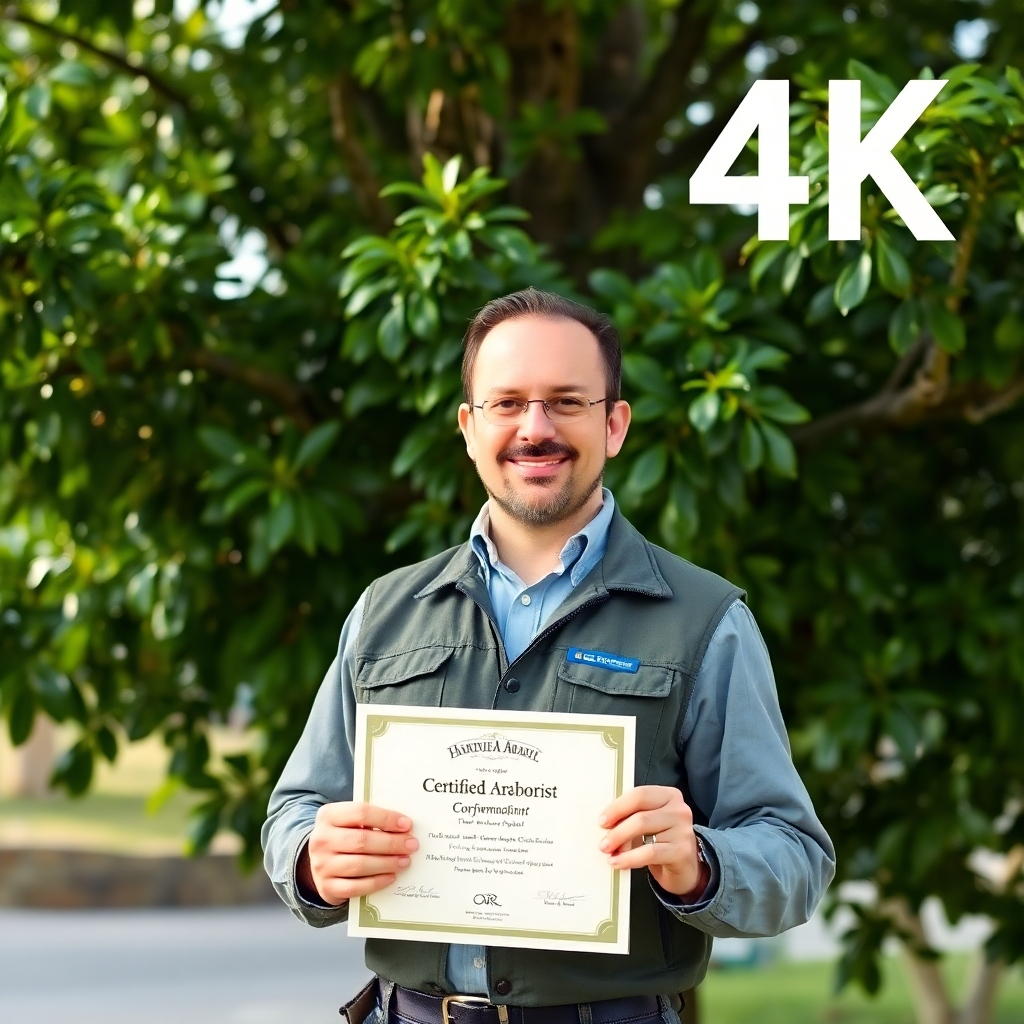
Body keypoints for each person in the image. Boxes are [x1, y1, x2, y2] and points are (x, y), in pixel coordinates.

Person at [262, 289, 835, 1024]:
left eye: (566, 401)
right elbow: (293, 813)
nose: (535, 428)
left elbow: (795, 857)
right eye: (506, 403)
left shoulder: (707, 621)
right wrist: (313, 858)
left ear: (614, 424)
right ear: (469, 428)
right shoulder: (384, 613)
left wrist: (700, 864)